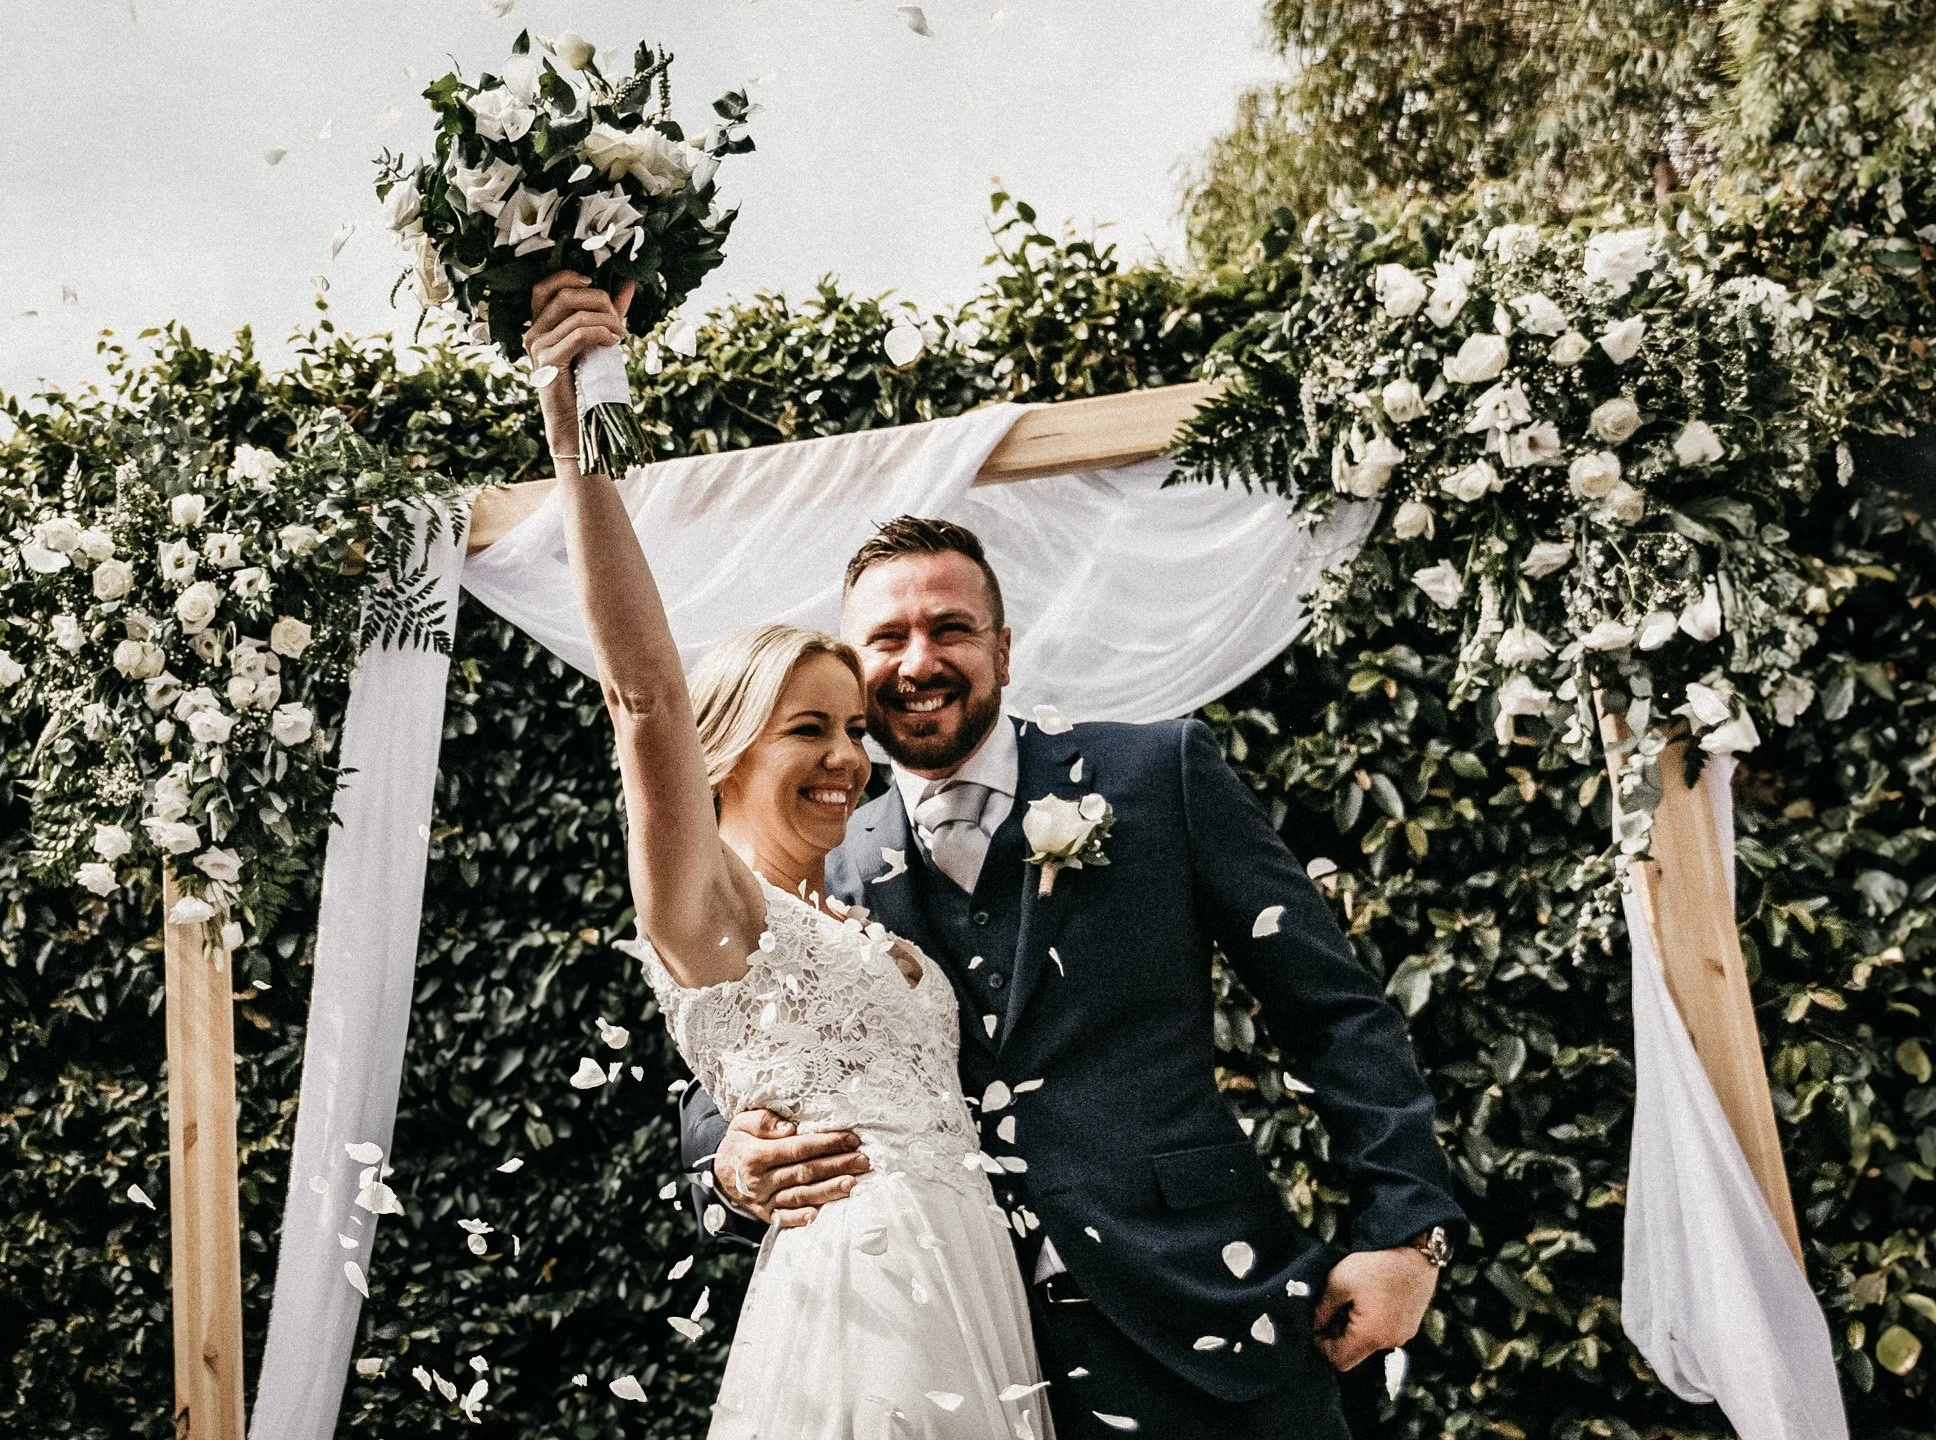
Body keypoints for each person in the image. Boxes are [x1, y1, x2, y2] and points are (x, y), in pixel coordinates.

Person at [677, 520, 1470, 1437]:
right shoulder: (828, 849)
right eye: (887, 639)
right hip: (965, 1350)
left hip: (1209, 1311)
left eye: (951, 629)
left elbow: (1333, 1012)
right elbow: (736, 1028)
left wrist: (1407, 1236)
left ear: (1004, 650)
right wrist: (727, 1166)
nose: (919, 659)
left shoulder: (1156, 773)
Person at [529, 271, 1056, 1438]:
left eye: (856, 731)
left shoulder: (855, 907)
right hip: (859, 1298)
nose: (848, 762)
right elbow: (645, 696)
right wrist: (580, 451)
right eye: (807, 729)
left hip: (971, 1282)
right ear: (717, 753)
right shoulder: (711, 910)